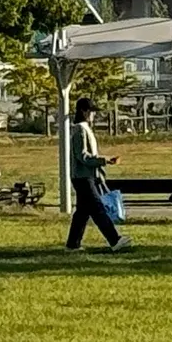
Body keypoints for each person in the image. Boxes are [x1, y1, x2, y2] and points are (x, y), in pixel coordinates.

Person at [66, 97, 129, 252]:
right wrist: (104, 160)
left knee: (82, 212)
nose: (93, 115)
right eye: (91, 111)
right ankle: (114, 240)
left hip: (85, 176)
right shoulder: (80, 130)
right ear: (83, 112)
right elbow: (83, 156)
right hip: (83, 177)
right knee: (97, 208)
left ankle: (73, 244)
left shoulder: (84, 129)